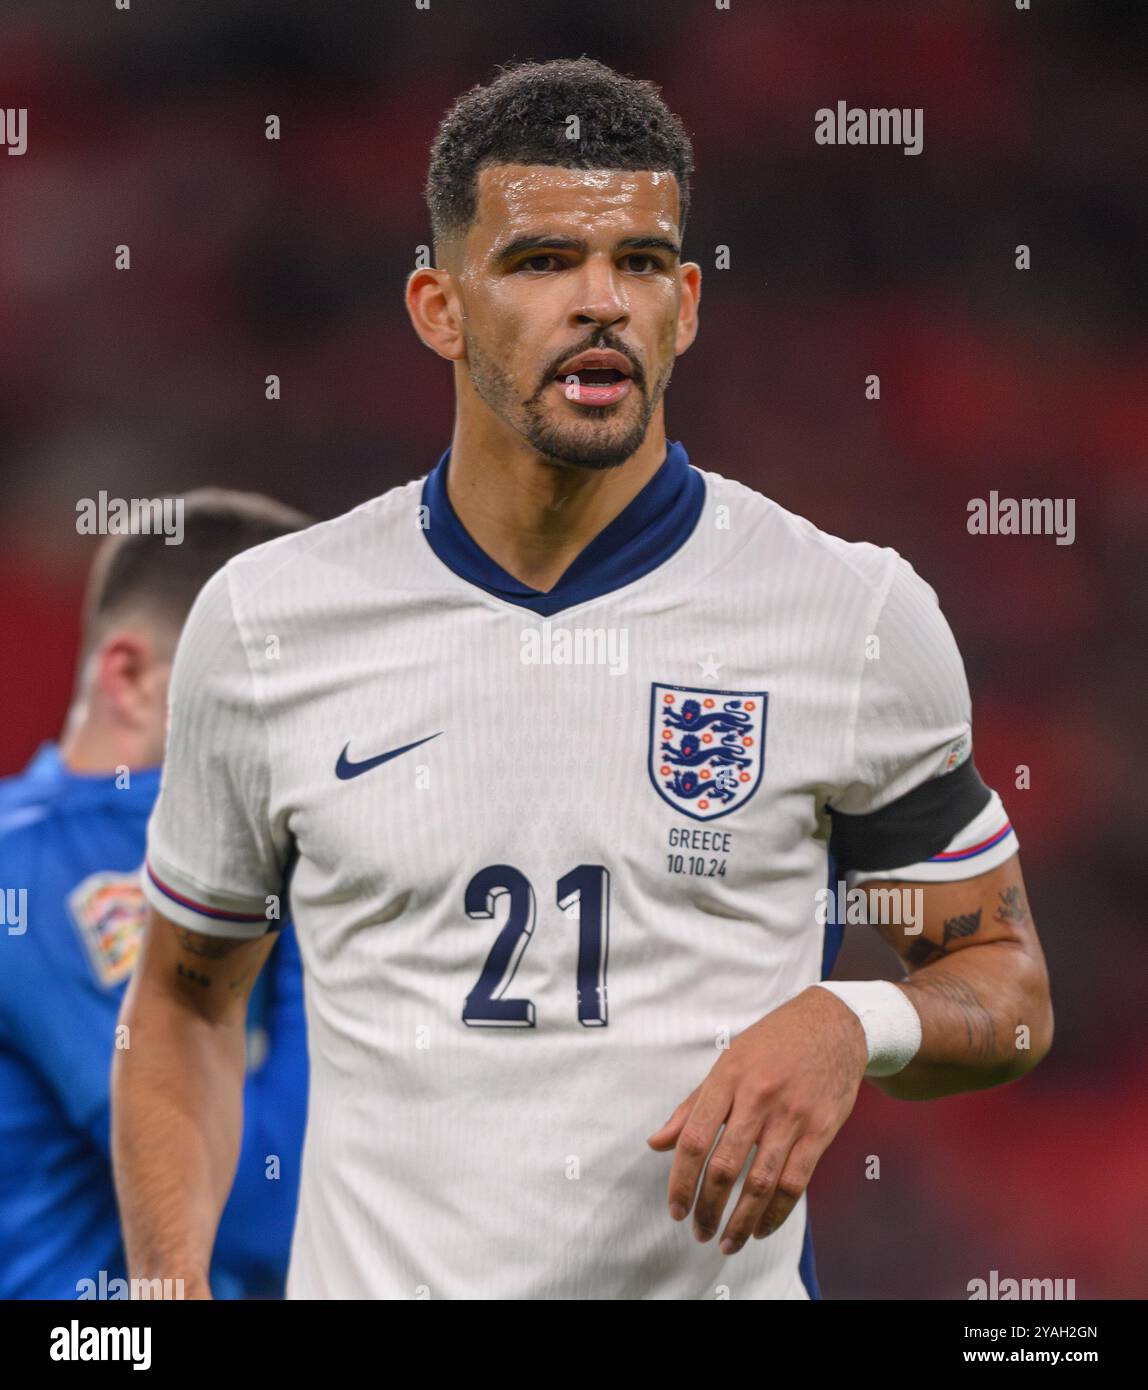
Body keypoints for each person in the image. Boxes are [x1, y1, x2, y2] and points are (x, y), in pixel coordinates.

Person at [114, 58, 1052, 1300]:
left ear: (689, 305)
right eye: (542, 262)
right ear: (438, 306)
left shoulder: (849, 616)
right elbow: (182, 1003)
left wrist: (850, 1021)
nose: (600, 301)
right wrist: (166, 1290)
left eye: (642, 263)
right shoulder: (270, 620)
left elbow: (1007, 990)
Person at [0, 489, 311, 1298]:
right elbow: (250, 1218)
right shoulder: (51, 866)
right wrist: (338, 921)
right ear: (134, 679)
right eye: (283, 695)